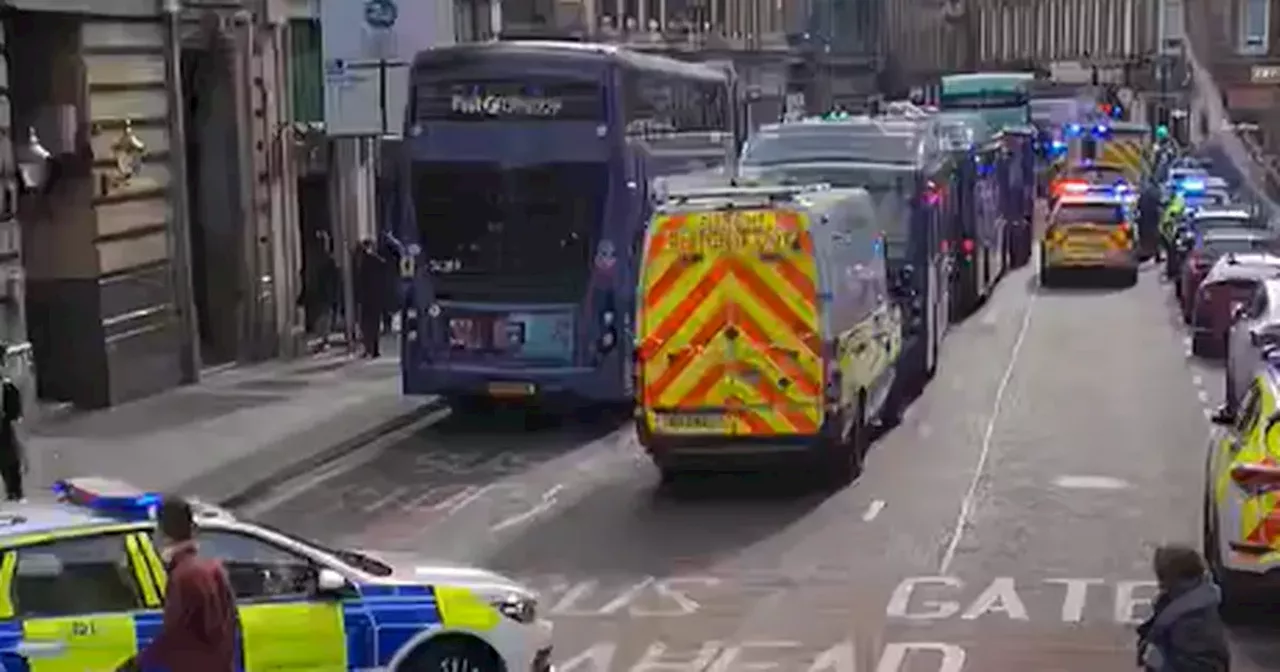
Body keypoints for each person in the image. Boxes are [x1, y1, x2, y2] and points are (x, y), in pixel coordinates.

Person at [116, 496, 239, 672]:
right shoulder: (212, 567)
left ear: (163, 533)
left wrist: (135, 664)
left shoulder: (184, 575)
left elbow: (175, 634)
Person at [1136, 544, 1230, 672]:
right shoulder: (1179, 603)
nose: (1159, 581)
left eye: (1162, 575)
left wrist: (1161, 664)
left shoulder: (1193, 621)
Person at [298, 232, 339, 352]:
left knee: (324, 318)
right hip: (319, 295)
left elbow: (332, 279)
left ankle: (323, 339)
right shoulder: (315, 261)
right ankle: (322, 339)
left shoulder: (328, 262)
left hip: (324, 295)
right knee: (321, 319)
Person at [354, 239, 387, 358]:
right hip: (372, 298)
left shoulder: (369, 261)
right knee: (371, 325)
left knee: (368, 325)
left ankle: (371, 349)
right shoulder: (374, 260)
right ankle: (372, 349)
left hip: (370, 298)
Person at [0, 348, 25, 502]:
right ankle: (14, 491)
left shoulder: (8, 387)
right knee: (9, 458)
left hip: (4, 426)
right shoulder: (7, 387)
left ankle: (14, 491)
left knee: (9, 458)